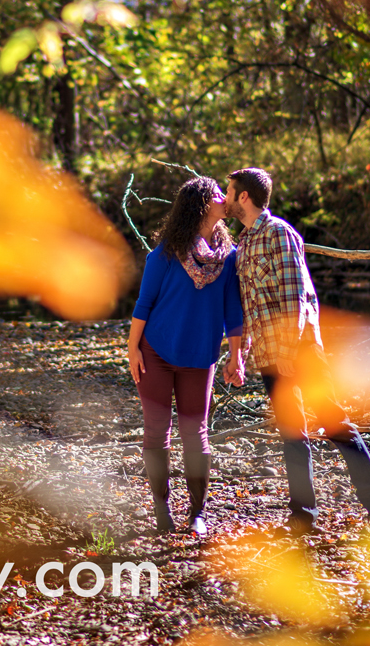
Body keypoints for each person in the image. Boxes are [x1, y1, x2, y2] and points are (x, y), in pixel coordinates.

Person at [225, 166, 370, 533]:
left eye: (229, 190)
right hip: (270, 354)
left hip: (300, 351)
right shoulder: (245, 244)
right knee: (292, 434)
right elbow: (252, 305)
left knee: (335, 424)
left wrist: (287, 352)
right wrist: (242, 353)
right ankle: (303, 516)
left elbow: (296, 298)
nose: (225, 197)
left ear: (244, 196)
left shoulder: (278, 233)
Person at [127, 176, 246, 536]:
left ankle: (197, 513)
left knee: (196, 434)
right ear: (200, 204)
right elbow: (143, 304)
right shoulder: (164, 254)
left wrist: (236, 355)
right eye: (217, 194)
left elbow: (233, 311)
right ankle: (162, 510)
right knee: (156, 433)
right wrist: (132, 348)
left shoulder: (228, 258)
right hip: (156, 352)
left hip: (200, 355)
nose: (225, 199)